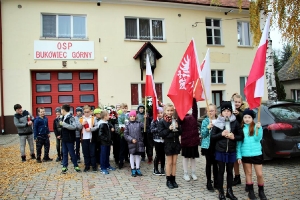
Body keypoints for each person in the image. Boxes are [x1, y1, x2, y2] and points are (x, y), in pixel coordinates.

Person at [210, 101, 244, 200]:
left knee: (230, 171)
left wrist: (234, 137)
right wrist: (221, 134)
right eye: (224, 111)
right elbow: (212, 137)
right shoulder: (217, 123)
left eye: (228, 111)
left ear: (231, 112)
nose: (226, 113)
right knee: (221, 171)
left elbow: (241, 136)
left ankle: (229, 191)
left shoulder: (235, 122)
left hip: (231, 151)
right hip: (220, 150)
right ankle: (221, 191)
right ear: (221, 112)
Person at [237, 109, 267, 200]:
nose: (247, 119)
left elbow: (258, 138)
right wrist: (239, 156)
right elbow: (238, 144)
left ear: (252, 118)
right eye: (245, 117)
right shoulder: (241, 128)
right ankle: (251, 192)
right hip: (245, 154)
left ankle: (261, 191)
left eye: (249, 117)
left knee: (259, 174)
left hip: (256, 153)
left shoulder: (255, 127)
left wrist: (259, 128)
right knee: (248, 174)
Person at [158, 103, 182, 189]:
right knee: (169, 163)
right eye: (168, 110)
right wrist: (169, 129)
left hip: (176, 143)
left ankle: (173, 179)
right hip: (168, 143)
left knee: (175, 163)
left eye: (171, 110)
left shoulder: (175, 120)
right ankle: (168, 180)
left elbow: (180, 132)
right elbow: (161, 134)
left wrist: (178, 127)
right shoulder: (162, 122)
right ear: (165, 111)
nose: (170, 112)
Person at [179, 98, 200, 182]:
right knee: (186, 157)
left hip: (194, 141)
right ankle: (185, 173)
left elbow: (195, 109)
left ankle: (193, 173)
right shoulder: (182, 118)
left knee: (193, 158)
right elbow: (180, 118)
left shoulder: (194, 116)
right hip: (186, 141)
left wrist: (193, 99)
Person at [231, 93, 249, 186]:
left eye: (238, 102)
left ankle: (248, 180)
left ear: (241, 102)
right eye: (235, 102)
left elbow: (245, 120)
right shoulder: (230, 110)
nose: (237, 103)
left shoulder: (244, 111)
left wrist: (239, 114)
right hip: (233, 137)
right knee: (235, 158)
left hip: (242, 137)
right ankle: (237, 177)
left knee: (244, 159)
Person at [201, 104, 219, 191]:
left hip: (217, 145)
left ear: (215, 111)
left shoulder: (219, 120)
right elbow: (203, 134)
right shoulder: (205, 121)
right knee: (209, 163)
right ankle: (208, 182)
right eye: (209, 111)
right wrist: (208, 128)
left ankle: (216, 181)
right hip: (208, 145)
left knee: (216, 164)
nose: (210, 112)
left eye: (212, 110)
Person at [59, 104, 81, 173]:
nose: (60, 111)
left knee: (72, 153)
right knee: (64, 153)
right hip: (64, 138)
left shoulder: (71, 117)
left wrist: (64, 124)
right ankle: (65, 166)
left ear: (63, 110)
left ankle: (76, 165)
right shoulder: (63, 117)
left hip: (69, 138)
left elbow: (73, 127)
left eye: (61, 110)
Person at [124, 110, 145, 177]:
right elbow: (126, 134)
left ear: (135, 117)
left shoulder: (139, 123)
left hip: (139, 142)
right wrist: (131, 139)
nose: (132, 117)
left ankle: (138, 168)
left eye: (134, 116)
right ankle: (133, 168)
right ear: (129, 117)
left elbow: (145, 127)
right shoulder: (127, 125)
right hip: (131, 143)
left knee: (138, 156)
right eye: (131, 116)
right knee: (132, 155)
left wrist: (145, 119)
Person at [79, 105, 97, 172]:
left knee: (92, 153)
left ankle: (94, 166)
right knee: (85, 153)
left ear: (90, 112)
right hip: (84, 138)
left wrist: (91, 129)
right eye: (85, 112)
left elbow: (97, 127)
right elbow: (77, 128)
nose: (86, 113)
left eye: (88, 112)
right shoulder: (81, 119)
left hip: (91, 138)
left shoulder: (93, 118)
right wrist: (82, 124)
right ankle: (87, 166)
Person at [98, 110, 116, 174]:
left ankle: (107, 165)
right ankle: (103, 168)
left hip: (107, 142)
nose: (109, 116)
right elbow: (100, 134)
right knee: (103, 155)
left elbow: (110, 124)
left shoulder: (106, 122)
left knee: (107, 154)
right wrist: (107, 139)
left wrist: (111, 127)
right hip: (104, 143)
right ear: (105, 116)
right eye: (108, 115)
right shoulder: (101, 124)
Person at [150, 107, 165, 176]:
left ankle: (162, 168)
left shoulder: (165, 120)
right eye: (158, 113)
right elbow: (152, 130)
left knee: (163, 155)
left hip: (163, 140)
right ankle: (155, 169)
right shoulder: (154, 121)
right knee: (158, 154)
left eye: (161, 113)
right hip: (157, 139)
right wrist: (158, 129)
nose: (160, 114)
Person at [117, 103, 130, 169]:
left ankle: (128, 159)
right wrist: (125, 126)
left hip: (129, 134)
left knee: (128, 148)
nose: (124, 109)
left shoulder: (129, 115)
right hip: (123, 134)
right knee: (122, 148)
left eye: (125, 108)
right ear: (121, 109)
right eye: (123, 108)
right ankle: (121, 162)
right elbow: (120, 125)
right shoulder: (120, 116)